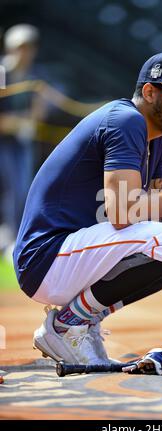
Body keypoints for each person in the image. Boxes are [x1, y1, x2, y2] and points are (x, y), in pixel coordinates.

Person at [13, 51, 162, 365]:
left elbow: (160, 216)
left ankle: (78, 318)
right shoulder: (126, 121)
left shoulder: (157, 137)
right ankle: (69, 323)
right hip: (46, 257)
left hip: (76, 253)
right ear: (149, 92)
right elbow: (124, 212)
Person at [0, 24, 41, 257]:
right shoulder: (1, 72)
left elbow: (37, 108)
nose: (24, 52)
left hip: (21, 142)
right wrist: (16, 122)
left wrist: (30, 121)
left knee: (22, 189)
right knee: (12, 188)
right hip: (3, 141)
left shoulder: (33, 76)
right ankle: (9, 237)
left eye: (29, 47)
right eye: (20, 47)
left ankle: (16, 238)